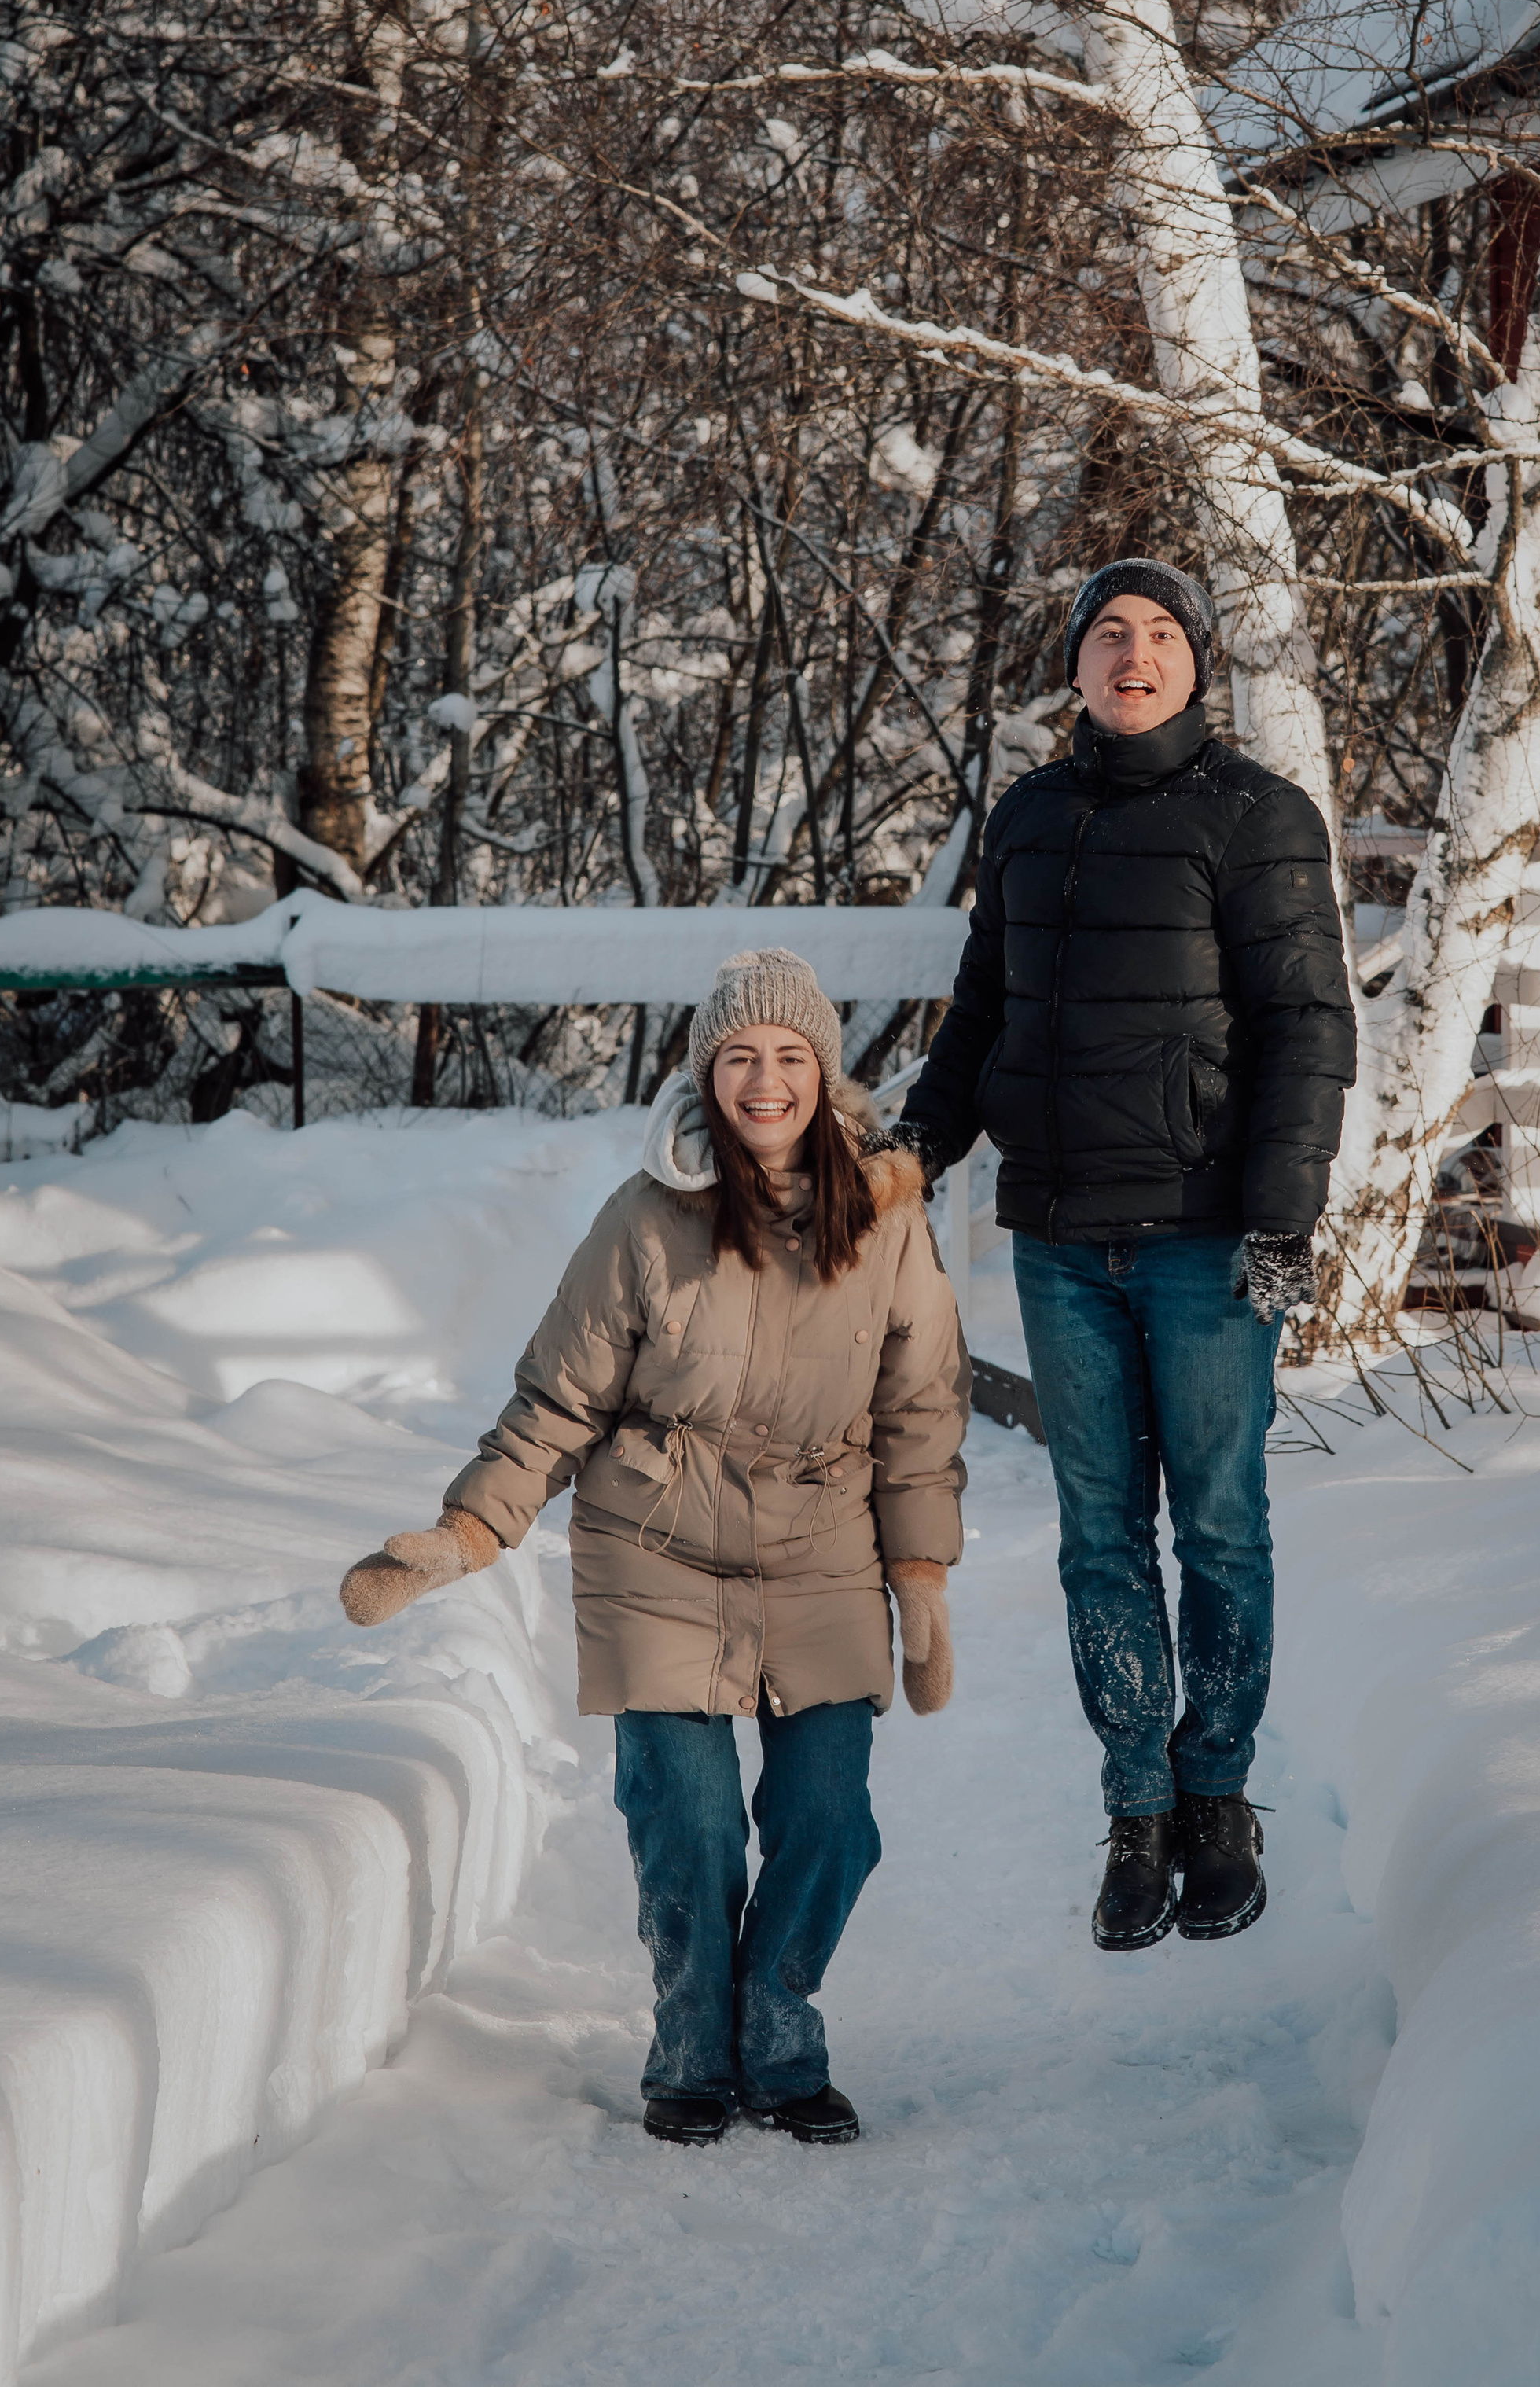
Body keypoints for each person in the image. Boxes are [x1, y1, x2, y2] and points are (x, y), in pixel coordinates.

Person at [339, 949, 970, 2148]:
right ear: (706, 1074)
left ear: (823, 1074)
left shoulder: (887, 1220)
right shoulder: (643, 1217)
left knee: (829, 1819)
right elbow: (558, 1400)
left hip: (824, 1535)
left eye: (790, 1057)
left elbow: (921, 1406)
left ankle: (778, 2031)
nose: (766, 1080)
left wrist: (921, 1577)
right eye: (741, 1057)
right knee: (683, 1819)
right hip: (658, 1539)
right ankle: (692, 2041)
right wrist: (469, 1529)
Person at [875, 560, 1355, 1951]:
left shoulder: (1260, 818)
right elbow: (982, 1015)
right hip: (1062, 1237)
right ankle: (1136, 1804)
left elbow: (1309, 1031)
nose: (1131, 655)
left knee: (1216, 1524)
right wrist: (916, 1146)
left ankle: (1218, 1798)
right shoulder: (1031, 819)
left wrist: (1282, 1215)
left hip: (1211, 1241)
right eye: (1106, 634)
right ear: (1076, 667)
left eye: (1158, 635)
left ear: (1197, 663)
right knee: (1099, 1533)